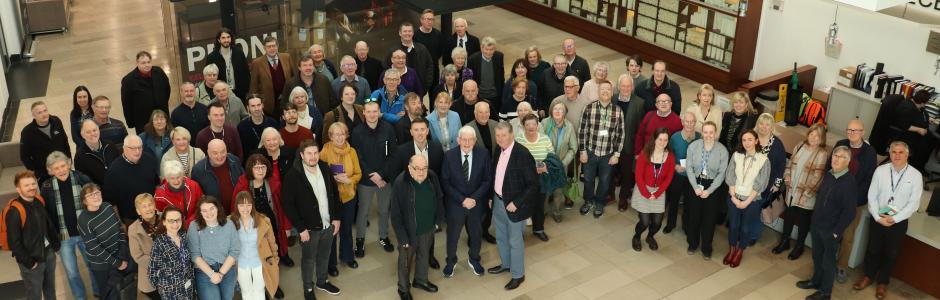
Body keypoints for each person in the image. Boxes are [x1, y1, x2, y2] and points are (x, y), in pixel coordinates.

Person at [854, 141, 922, 299]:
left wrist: (894, 218)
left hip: (898, 221)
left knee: (891, 253)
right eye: (894, 152)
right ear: (889, 153)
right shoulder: (881, 170)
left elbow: (913, 204)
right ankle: (868, 277)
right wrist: (878, 217)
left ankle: (883, 282)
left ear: (907, 154)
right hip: (878, 218)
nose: (897, 155)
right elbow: (872, 196)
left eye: (901, 152)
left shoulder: (915, 176)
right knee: (872, 249)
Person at [281, 140, 343, 299]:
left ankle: (322, 281)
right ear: (302, 155)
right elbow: (288, 205)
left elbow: (334, 194)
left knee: (325, 255)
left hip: (328, 224)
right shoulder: (293, 175)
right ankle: (308, 288)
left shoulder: (324, 168)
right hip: (308, 229)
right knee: (308, 260)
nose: (313, 157)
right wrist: (300, 228)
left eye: (315, 153)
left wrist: (336, 218)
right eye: (309, 153)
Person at [795, 146, 858, 300]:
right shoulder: (829, 174)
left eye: (841, 156)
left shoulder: (848, 182)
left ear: (848, 161)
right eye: (835, 155)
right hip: (817, 225)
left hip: (831, 230)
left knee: (828, 262)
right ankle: (815, 281)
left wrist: (836, 231)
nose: (836, 158)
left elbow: (850, 212)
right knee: (817, 256)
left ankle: (825, 292)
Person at [487, 122, 538, 290]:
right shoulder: (497, 149)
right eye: (498, 135)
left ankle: (518, 275)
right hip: (498, 201)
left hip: (514, 206)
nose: (500, 139)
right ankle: (506, 265)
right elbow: (495, 175)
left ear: (512, 135)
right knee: (501, 236)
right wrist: (491, 196)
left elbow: (533, 184)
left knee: (515, 241)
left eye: (503, 135)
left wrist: (516, 202)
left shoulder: (522, 154)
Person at [40, 152, 97, 300]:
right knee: (72, 272)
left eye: (63, 165)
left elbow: (95, 201)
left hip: (85, 232)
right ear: (50, 170)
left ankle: (98, 292)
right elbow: (46, 215)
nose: (61, 170)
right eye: (56, 168)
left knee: (92, 265)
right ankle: (80, 297)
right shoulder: (46, 187)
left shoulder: (81, 179)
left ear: (69, 164)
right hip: (64, 236)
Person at [440, 126, 492, 277]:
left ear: (475, 141)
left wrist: (473, 198)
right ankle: (451, 261)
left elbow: (487, 179)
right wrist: (462, 199)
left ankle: (474, 259)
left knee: (476, 234)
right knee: (453, 235)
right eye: (464, 139)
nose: (467, 143)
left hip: (476, 204)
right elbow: (445, 181)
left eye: (470, 140)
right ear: (458, 140)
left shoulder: (483, 154)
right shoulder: (449, 156)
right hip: (456, 204)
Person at [390, 154, 444, 299]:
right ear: (409, 168)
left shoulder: (432, 176)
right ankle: (403, 289)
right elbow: (395, 214)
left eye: (424, 168)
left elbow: (439, 198)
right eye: (417, 168)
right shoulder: (400, 183)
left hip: (428, 227)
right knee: (405, 262)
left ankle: (420, 280)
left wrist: (438, 221)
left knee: (424, 255)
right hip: (409, 232)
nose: (421, 172)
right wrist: (402, 237)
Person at [775, 123, 830, 260]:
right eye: (812, 134)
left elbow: (818, 177)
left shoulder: (822, 154)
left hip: (807, 195)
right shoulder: (800, 146)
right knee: (789, 217)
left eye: (817, 136)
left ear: (822, 139)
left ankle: (799, 246)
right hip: (792, 190)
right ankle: (785, 241)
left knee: (803, 222)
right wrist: (786, 176)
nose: (813, 138)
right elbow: (789, 164)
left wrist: (807, 194)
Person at [350, 101, 398, 257]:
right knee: (363, 211)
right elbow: (358, 157)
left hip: (384, 178)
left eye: (374, 111)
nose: (372, 115)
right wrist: (372, 175)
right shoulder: (357, 132)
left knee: (384, 210)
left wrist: (381, 175)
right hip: (366, 180)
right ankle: (360, 240)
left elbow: (392, 155)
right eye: (368, 112)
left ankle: (384, 236)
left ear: (379, 112)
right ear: (363, 113)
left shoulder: (388, 129)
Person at [833, 120, 877, 283]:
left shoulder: (870, 152)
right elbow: (831, 167)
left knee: (847, 236)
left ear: (863, 132)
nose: (852, 133)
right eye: (849, 130)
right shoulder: (841, 144)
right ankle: (828, 261)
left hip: (854, 202)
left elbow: (868, 179)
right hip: (835, 198)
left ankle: (841, 267)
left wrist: (852, 198)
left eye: (856, 130)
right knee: (831, 231)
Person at [5, 171, 60, 300]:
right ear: (18, 189)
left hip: (48, 254)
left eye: (33, 183)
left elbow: (48, 224)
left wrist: (55, 245)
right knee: (34, 294)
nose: (31, 187)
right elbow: (14, 242)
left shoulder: (38, 200)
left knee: (50, 289)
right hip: (32, 261)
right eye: (26, 185)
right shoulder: (14, 212)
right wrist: (29, 263)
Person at [234, 154, 292, 271]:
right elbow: (236, 207)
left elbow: (283, 205)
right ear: (250, 169)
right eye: (256, 167)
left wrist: (287, 226)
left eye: (263, 167)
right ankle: (270, 269)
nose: (260, 170)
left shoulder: (273, 181)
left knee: (277, 239)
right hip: (255, 221)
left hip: (273, 218)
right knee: (263, 246)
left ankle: (283, 255)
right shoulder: (242, 184)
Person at [723, 130, 771, 268]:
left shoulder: (764, 160)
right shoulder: (737, 155)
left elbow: (760, 184)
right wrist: (734, 197)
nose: (747, 143)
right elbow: (730, 177)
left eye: (750, 139)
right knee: (733, 226)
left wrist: (746, 202)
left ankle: (740, 251)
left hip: (752, 201)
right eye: (744, 140)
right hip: (734, 197)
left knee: (745, 228)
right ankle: (732, 249)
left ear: (756, 141)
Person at [578, 81, 625, 218]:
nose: (605, 91)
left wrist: (616, 154)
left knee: (605, 181)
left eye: (608, 89)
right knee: (588, 180)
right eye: (602, 89)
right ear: (598, 91)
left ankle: (599, 202)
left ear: (612, 92)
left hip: (608, 154)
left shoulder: (617, 111)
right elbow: (582, 131)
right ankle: (588, 200)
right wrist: (582, 151)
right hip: (590, 152)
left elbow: (620, 134)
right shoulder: (588, 108)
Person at [77, 183, 132, 300]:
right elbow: (94, 248)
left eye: (97, 193)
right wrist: (117, 263)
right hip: (102, 265)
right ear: (84, 201)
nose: (96, 197)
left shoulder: (107, 206)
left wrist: (122, 252)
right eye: (91, 195)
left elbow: (120, 229)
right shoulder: (83, 220)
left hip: (119, 255)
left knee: (125, 290)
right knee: (108, 294)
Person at [321, 123, 362, 272]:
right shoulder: (324, 152)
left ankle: (347, 256)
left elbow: (358, 173)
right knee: (332, 230)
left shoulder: (352, 152)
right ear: (330, 136)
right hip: (331, 198)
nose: (339, 137)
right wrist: (333, 178)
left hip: (349, 196)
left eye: (342, 134)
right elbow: (319, 174)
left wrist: (349, 180)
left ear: (346, 135)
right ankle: (331, 264)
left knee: (346, 228)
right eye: (336, 134)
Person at [684, 121, 729, 260]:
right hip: (695, 184)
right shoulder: (693, 146)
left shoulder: (722, 150)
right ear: (701, 133)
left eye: (711, 132)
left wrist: (709, 191)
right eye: (706, 132)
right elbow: (689, 168)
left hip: (713, 187)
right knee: (693, 217)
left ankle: (706, 248)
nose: (708, 135)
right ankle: (692, 244)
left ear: (715, 134)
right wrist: (695, 187)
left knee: (709, 220)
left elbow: (722, 174)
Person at [631, 128, 676, 251]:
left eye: (665, 140)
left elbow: (668, 178)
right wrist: (646, 194)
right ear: (654, 139)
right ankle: (637, 236)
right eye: (660, 139)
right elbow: (638, 176)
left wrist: (657, 193)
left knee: (657, 223)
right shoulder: (645, 153)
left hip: (659, 191)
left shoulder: (670, 157)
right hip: (643, 190)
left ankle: (650, 237)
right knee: (644, 222)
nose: (662, 142)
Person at [231, 191, 281, 300]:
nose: (245, 209)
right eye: (241, 205)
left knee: (259, 291)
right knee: (246, 291)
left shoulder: (263, 221)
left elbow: (272, 242)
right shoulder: (230, 222)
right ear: (237, 206)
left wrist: (275, 259)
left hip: (260, 262)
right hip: (241, 263)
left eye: (248, 205)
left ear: (252, 206)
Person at [187, 196, 239, 300]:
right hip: (204, 271)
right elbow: (195, 254)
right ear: (200, 212)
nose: (209, 213)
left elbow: (235, 250)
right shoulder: (194, 226)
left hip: (227, 270)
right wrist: (212, 274)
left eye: (212, 208)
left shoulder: (228, 224)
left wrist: (221, 273)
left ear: (218, 208)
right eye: (204, 210)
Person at [515, 114, 555, 241]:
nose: (531, 127)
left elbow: (552, 157)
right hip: (524, 181)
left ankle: (538, 229)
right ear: (523, 126)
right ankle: (519, 232)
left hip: (540, 179)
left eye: (533, 124)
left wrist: (545, 166)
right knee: (522, 206)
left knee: (539, 205)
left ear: (537, 125)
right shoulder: (518, 140)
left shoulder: (545, 139)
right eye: (528, 124)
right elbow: (515, 161)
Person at [104, 135, 160, 223]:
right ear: (124, 148)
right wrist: (120, 223)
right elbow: (111, 202)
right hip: (131, 219)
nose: (137, 151)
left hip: (152, 213)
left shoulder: (149, 159)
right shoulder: (114, 171)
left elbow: (156, 184)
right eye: (132, 148)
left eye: (139, 147)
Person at [612, 74, 646, 211]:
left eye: (628, 86)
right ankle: (609, 194)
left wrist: (638, 149)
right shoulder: (612, 99)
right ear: (619, 86)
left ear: (632, 87)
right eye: (623, 86)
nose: (625, 88)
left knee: (627, 174)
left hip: (628, 145)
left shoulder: (639, 103)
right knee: (610, 172)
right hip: (611, 144)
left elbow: (640, 128)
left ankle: (623, 199)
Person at [148, 206, 195, 299]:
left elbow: (189, 262)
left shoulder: (184, 236)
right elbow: (152, 271)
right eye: (171, 221)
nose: (175, 224)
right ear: (164, 222)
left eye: (178, 220)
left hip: (187, 287)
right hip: (170, 292)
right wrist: (164, 288)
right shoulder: (159, 242)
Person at [542, 101, 578, 222]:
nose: (558, 111)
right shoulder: (545, 123)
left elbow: (573, 148)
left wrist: (563, 163)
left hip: (562, 164)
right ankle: (544, 211)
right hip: (546, 164)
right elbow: (539, 141)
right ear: (551, 111)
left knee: (558, 191)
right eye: (555, 109)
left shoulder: (569, 126)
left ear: (565, 113)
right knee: (545, 189)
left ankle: (557, 211)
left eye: (561, 110)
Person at [754, 113, 787, 244]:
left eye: (767, 124)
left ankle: (753, 235)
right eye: (761, 123)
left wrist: (777, 185)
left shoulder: (777, 144)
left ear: (772, 127)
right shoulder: (752, 138)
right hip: (749, 183)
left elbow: (781, 166)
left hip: (766, 185)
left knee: (758, 211)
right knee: (748, 209)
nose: (764, 127)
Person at [665, 113, 700, 233]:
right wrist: (675, 166)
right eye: (687, 121)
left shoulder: (700, 137)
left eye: (692, 122)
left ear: (695, 123)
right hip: (678, 175)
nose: (690, 124)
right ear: (682, 122)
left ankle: (686, 225)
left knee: (689, 202)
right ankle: (671, 223)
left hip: (693, 178)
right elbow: (668, 155)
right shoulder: (675, 137)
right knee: (673, 200)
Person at [281, 56, 337, 130]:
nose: (308, 68)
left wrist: (329, 118)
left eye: (310, 65)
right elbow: (284, 104)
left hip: (322, 122)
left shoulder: (323, 80)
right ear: (299, 68)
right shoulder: (291, 84)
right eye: (305, 65)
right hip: (299, 123)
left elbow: (333, 101)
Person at [20, 101, 71, 182]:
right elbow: (24, 157)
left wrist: (69, 159)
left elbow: (65, 141)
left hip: (63, 168)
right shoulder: (27, 132)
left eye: (45, 110)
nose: (44, 114)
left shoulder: (56, 121)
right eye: (39, 112)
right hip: (45, 174)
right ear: (34, 115)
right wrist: (37, 173)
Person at [121, 51, 171, 132]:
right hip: (143, 120)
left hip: (161, 115)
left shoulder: (159, 72)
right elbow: (126, 103)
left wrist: (163, 102)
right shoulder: (128, 80)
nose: (147, 65)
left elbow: (167, 90)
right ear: (137, 63)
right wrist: (130, 122)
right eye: (143, 63)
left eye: (148, 62)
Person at [249, 36, 296, 118]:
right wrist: (258, 106)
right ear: (264, 48)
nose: (272, 49)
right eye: (269, 47)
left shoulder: (286, 57)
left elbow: (294, 77)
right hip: (269, 106)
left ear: (277, 46)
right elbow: (254, 87)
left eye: (273, 46)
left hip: (287, 101)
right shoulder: (257, 63)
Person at [191, 139, 244, 211]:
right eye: (215, 153)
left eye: (223, 152)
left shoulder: (234, 161)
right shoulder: (198, 170)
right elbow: (197, 197)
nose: (220, 156)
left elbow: (244, 183)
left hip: (238, 211)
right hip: (215, 215)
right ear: (208, 153)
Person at [384, 22, 434, 95]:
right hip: (397, 92)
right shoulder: (393, 51)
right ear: (400, 33)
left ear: (413, 33)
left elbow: (430, 65)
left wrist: (426, 85)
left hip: (419, 91)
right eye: (405, 31)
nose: (407, 33)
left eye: (409, 31)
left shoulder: (422, 49)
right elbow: (386, 67)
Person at [891, 90, 933, 172]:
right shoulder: (908, 109)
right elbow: (904, 125)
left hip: (919, 129)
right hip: (906, 134)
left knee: (932, 140)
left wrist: (928, 118)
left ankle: (921, 164)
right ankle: (916, 166)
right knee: (926, 144)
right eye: (925, 103)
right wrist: (919, 129)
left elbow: (920, 113)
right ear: (921, 102)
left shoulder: (912, 102)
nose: (925, 105)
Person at [128, 193, 161, 299]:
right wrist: (160, 264)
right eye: (143, 206)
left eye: (150, 204)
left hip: (172, 271)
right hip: (151, 275)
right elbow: (138, 256)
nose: (148, 209)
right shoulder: (133, 229)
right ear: (138, 211)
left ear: (155, 206)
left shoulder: (165, 219)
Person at [154, 160, 204, 226]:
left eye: (178, 177)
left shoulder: (194, 186)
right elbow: (160, 216)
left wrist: (189, 223)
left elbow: (202, 206)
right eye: (172, 178)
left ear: (182, 175)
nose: (176, 181)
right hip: (172, 228)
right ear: (167, 179)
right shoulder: (160, 194)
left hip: (194, 224)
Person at [206, 28, 250, 99]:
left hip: (240, 93)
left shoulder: (239, 53)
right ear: (219, 40)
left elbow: (246, 73)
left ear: (231, 39)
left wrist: (246, 90)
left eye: (228, 37)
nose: (226, 40)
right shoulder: (212, 57)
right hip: (221, 94)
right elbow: (208, 78)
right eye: (223, 38)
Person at [75, 119, 121, 185]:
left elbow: (119, 165)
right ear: (82, 135)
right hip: (100, 193)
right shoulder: (80, 156)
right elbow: (85, 182)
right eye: (88, 132)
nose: (92, 134)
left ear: (99, 130)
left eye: (94, 130)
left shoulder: (110, 145)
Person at [468, 36, 505, 106]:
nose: (488, 52)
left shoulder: (499, 57)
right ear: (481, 48)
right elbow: (470, 80)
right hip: (479, 96)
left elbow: (501, 77)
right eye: (486, 49)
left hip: (495, 96)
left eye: (491, 49)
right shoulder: (473, 59)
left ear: (495, 49)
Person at [415, 9, 444, 91]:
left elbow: (440, 51)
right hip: (419, 70)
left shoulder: (438, 34)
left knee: (434, 94)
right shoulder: (415, 35)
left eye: (431, 19)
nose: (429, 22)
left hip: (434, 70)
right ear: (421, 20)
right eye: (427, 19)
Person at [70, 86, 94, 150]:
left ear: (88, 97)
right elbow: (75, 136)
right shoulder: (74, 113)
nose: (82, 99)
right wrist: (86, 147)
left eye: (84, 96)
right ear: (76, 99)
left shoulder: (95, 109)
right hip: (82, 146)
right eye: (79, 97)